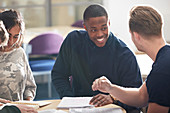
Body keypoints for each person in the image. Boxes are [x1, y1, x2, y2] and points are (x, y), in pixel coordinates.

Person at [52, 4, 142, 113]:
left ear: (109, 23)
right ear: (85, 27)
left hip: (114, 108)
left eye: (104, 28)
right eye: (93, 30)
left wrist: (113, 98)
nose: (100, 34)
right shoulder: (73, 41)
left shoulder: (124, 53)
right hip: (77, 108)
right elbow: (58, 74)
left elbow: (137, 97)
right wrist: (70, 98)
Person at [92, 6, 170, 113]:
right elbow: (141, 96)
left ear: (136, 36)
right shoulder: (165, 59)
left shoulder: (161, 72)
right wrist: (110, 88)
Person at [0, 9, 36, 101]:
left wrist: (28, 102)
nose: (11, 41)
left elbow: (30, 86)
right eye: (8, 35)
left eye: (16, 36)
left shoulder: (20, 52)